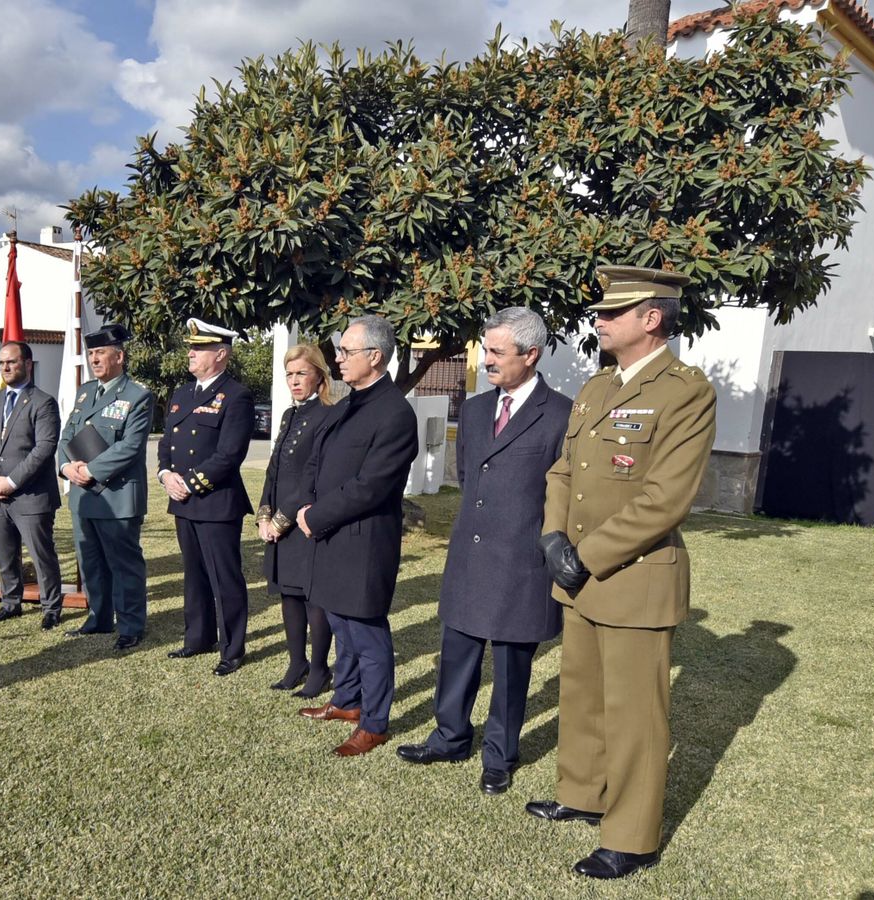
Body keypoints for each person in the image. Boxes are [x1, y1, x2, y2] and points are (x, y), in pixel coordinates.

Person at [528, 265, 717, 880]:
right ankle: (581, 793)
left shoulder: (685, 391)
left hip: (631, 574)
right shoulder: (597, 387)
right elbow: (563, 471)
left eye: (612, 313)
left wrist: (587, 554)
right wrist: (554, 536)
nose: (599, 321)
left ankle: (632, 837)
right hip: (578, 571)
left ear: (651, 318)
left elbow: (665, 496)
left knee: (635, 713)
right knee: (582, 693)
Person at [395, 307, 570, 796]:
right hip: (471, 556)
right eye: (485, 350)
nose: (487, 360)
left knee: (513, 667)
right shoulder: (473, 409)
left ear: (531, 355)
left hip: (521, 562)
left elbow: (561, 493)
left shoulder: (561, 414)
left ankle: (499, 755)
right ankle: (449, 736)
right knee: (457, 654)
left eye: (497, 352)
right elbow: (472, 477)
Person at [295, 316, 419, 757]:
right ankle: (347, 701)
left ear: (375, 357)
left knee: (367, 633)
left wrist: (317, 514)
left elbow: (372, 485)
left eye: (347, 352)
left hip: (363, 541)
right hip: (330, 533)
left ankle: (375, 722)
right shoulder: (349, 403)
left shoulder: (395, 413)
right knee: (340, 625)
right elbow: (318, 459)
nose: (338, 358)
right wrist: (305, 507)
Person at [159, 318, 256, 676]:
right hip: (182, 501)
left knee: (223, 577)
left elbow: (230, 454)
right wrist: (165, 475)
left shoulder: (237, 395)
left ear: (220, 354)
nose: (191, 353)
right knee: (193, 574)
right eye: (191, 347)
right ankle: (198, 637)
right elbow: (167, 444)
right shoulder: (183, 394)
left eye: (198, 348)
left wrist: (189, 483)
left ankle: (232, 647)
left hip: (216, 501)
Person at [57, 324, 155, 651]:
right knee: (91, 562)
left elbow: (130, 446)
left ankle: (130, 625)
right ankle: (99, 618)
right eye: (92, 353)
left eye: (101, 353)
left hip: (117, 497)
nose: (94, 359)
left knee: (123, 564)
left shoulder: (137, 396)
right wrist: (65, 466)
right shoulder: (85, 393)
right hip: (84, 498)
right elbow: (67, 436)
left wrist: (91, 471)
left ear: (120, 356)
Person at [256, 344, 338, 697]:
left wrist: (282, 519)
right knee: (287, 594)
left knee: (311, 596)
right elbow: (274, 470)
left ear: (319, 374)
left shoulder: (327, 415)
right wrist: (263, 514)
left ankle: (319, 669)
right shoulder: (290, 415)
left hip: (304, 519)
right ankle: (296, 662)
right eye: (289, 374)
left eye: (301, 373)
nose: (294, 380)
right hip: (276, 520)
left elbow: (311, 475)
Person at [0, 340, 66, 630]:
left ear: (27, 364)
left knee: (41, 555)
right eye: (1, 363)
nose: (6, 367)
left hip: (31, 496)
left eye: (11, 362)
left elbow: (45, 447)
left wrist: (11, 482)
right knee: (4, 555)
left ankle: (51, 608)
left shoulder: (43, 402)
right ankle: (11, 603)